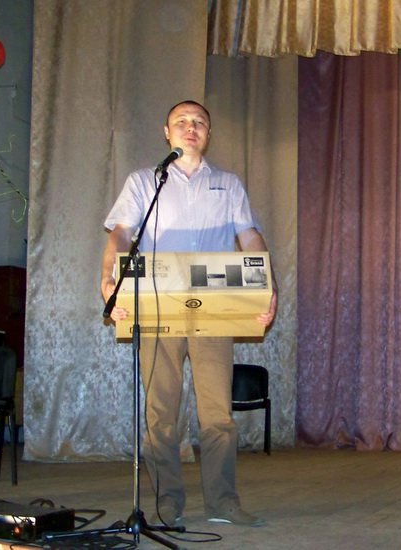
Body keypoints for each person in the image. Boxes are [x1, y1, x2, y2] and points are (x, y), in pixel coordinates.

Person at [100, 100, 278, 528]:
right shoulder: (144, 181)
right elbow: (122, 233)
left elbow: (249, 235)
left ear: (209, 133)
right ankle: (168, 502)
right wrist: (108, 278)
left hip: (213, 309)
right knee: (160, 413)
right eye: (181, 121)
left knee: (218, 414)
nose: (190, 127)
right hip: (157, 303)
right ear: (167, 132)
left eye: (199, 122)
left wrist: (268, 285)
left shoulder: (228, 184)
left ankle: (223, 502)